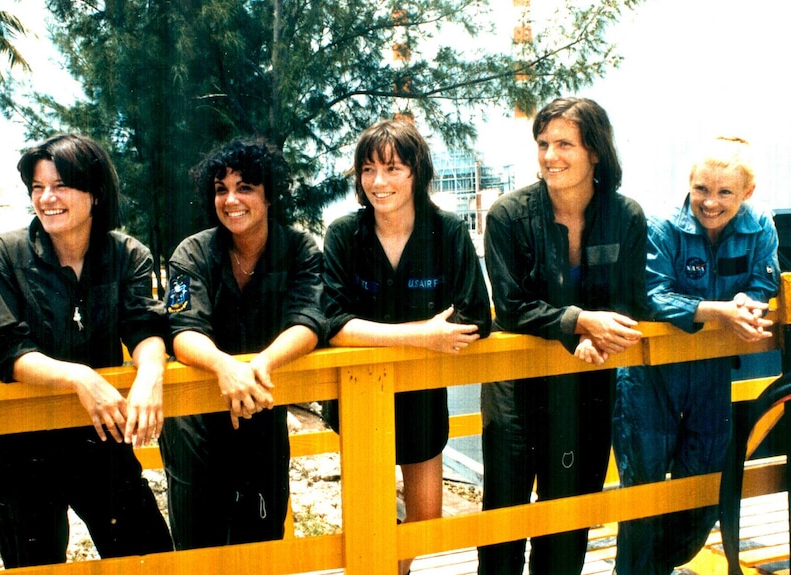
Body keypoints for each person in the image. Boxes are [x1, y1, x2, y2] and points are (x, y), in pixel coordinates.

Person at [0, 134, 173, 567]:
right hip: (20, 445)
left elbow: (145, 326)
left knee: (151, 558)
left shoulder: (126, 255)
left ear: (95, 192)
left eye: (60, 185)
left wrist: (151, 374)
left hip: (99, 437)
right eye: (38, 187)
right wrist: (80, 376)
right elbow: (3, 348)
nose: (47, 198)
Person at [479, 97, 649, 575]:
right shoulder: (509, 215)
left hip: (587, 385)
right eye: (543, 144)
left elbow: (631, 298)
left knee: (570, 518)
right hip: (516, 390)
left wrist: (598, 329)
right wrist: (578, 322)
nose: (550, 155)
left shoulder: (627, 216)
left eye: (564, 144)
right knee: (504, 521)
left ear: (595, 151)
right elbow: (510, 306)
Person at [322, 118, 492, 575]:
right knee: (369, 519)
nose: (379, 182)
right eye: (369, 170)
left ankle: (397, 568)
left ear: (417, 172)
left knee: (425, 518)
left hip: (421, 394)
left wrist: (377, 332)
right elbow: (331, 322)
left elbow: (477, 315)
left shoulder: (448, 231)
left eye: (393, 168)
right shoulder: (344, 235)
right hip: (360, 397)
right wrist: (423, 334)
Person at [612, 136, 779, 575]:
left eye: (725, 192)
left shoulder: (761, 225)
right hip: (651, 376)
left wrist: (747, 304)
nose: (710, 202)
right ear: (688, 185)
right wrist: (717, 312)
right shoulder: (661, 227)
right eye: (701, 189)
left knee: (707, 486)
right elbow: (650, 295)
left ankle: (662, 565)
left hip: (711, 375)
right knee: (644, 491)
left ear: (747, 192)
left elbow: (766, 284)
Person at [158, 139, 326, 549]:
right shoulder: (191, 253)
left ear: (270, 195)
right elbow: (182, 330)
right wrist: (224, 367)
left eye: (245, 187)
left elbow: (310, 321)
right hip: (195, 418)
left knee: (264, 533)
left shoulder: (300, 250)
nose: (231, 199)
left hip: (263, 404)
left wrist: (259, 365)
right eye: (221, 188)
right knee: (200, 541)